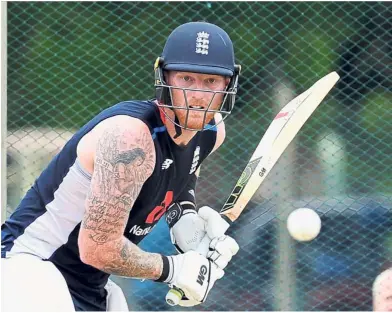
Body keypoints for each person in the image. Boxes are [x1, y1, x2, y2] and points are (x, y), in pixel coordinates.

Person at [1, 21, 241, 311]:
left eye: (210, 82)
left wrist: (186, 220)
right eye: (187, 79)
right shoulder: (131, 138)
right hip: (30, 271)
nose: (198, 96)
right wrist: (175, 269)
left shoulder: (212, 133)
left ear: (227, 84)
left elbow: (180, 180)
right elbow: (98, 248)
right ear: (164, 78)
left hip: (90, 285)